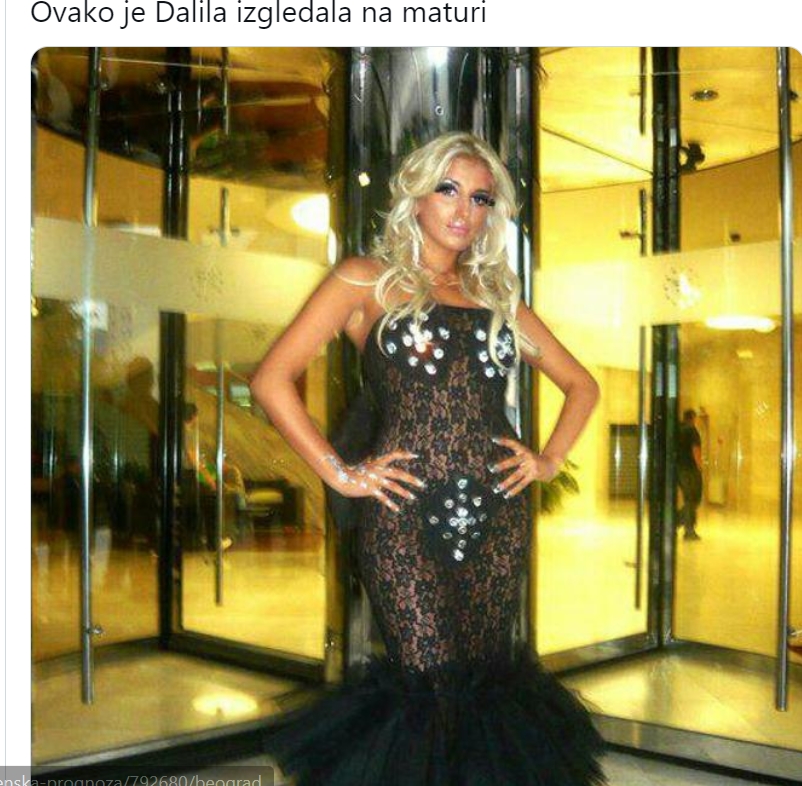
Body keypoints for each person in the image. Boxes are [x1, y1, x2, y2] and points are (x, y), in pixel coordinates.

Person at [251, 132, 606, 785]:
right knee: (427, 683)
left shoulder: (498, 296)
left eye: (480, 197)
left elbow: (581, 385)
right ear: (415, 196)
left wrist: (548, 460)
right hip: (403, 515)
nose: (464, 210)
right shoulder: (364, 279)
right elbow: (272, 379)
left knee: (483, 679)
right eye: (449, 189)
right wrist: (341, 473)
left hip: (498, 515)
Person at [677, 408, 703, 540]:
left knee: (689, 499)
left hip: (678, 469)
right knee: (694, 499)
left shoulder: (677, 429)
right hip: (690, 469)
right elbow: (695, 449)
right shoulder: (692, 430)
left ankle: (678, 522)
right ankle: (687, 528)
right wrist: (699, 465)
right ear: (693, 418)